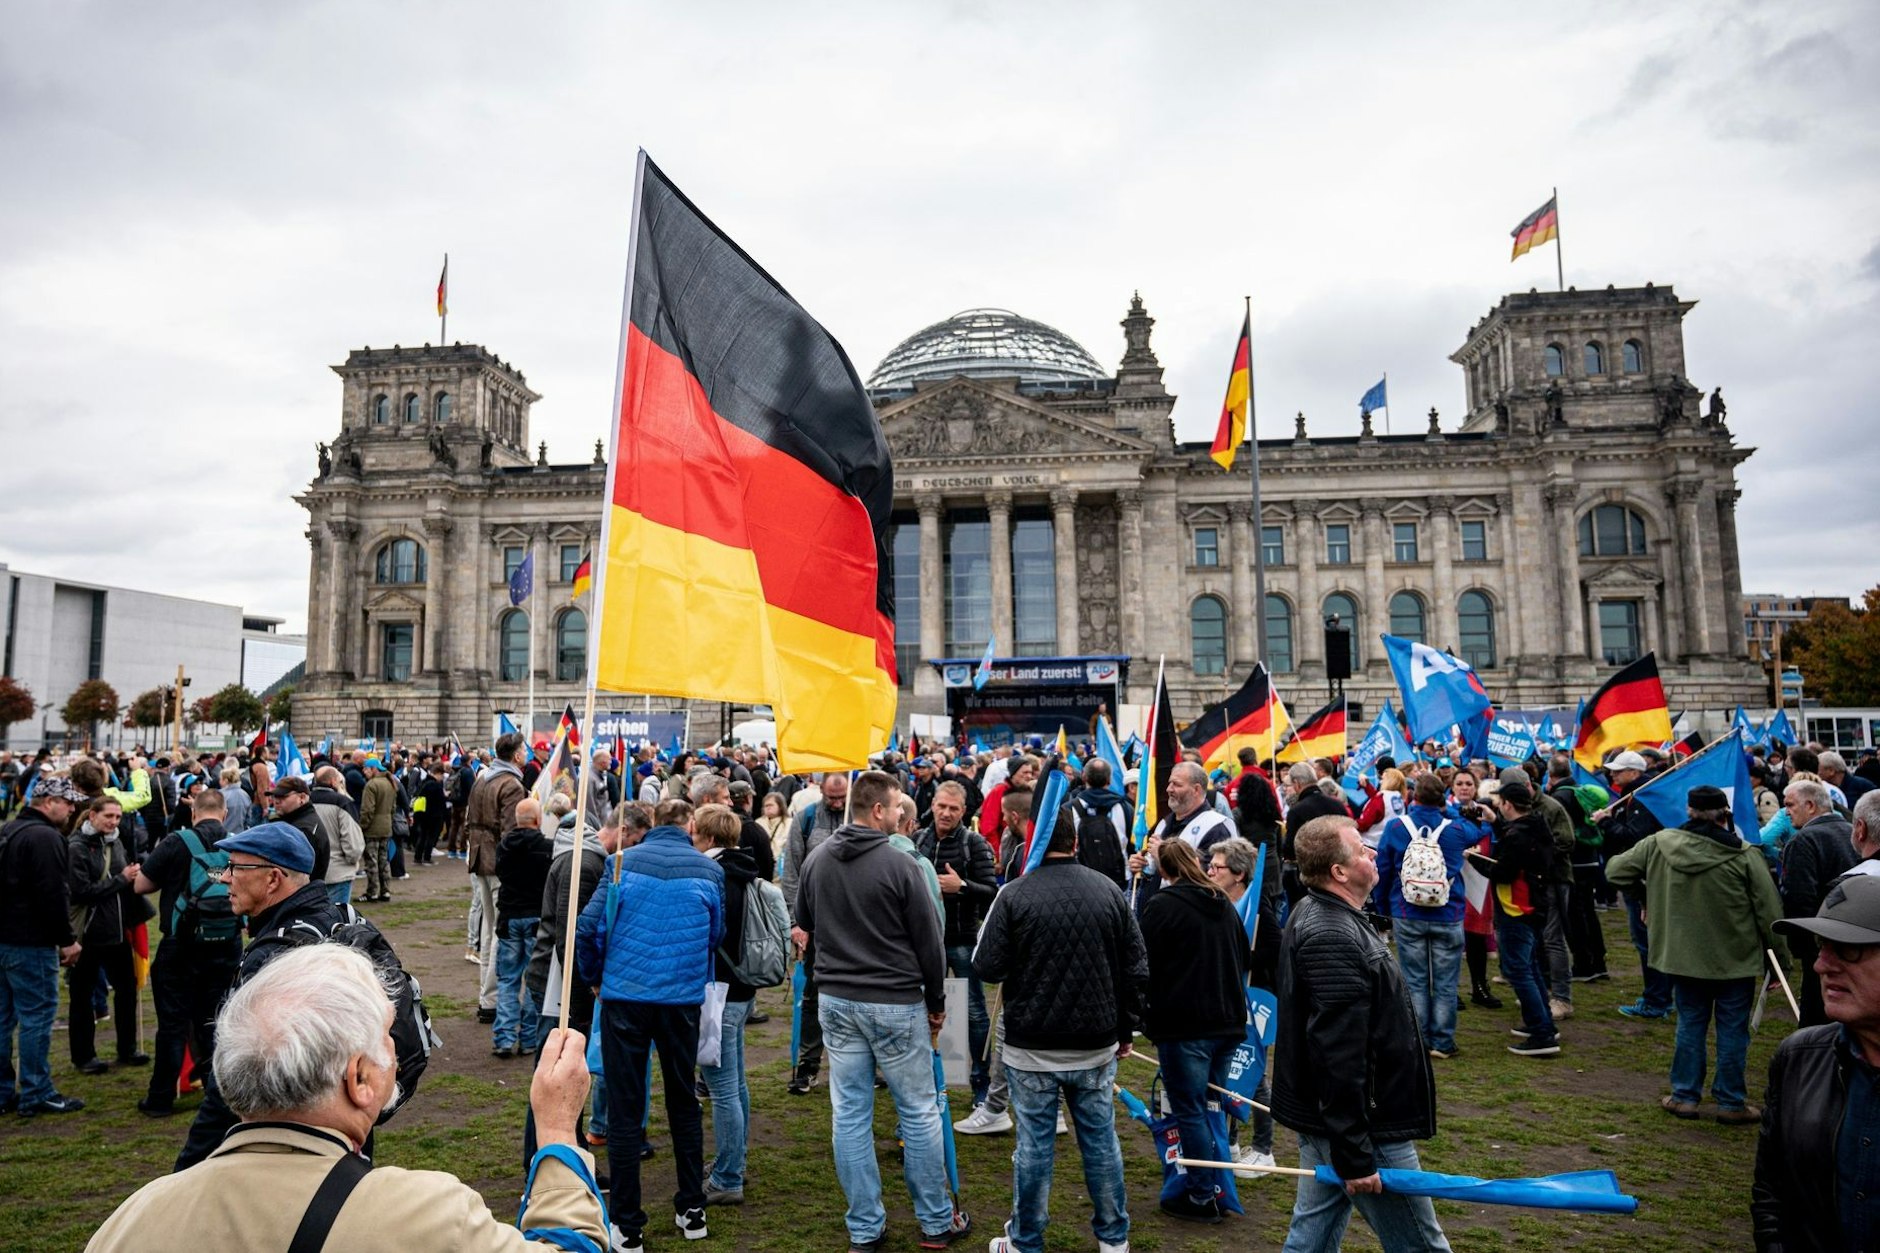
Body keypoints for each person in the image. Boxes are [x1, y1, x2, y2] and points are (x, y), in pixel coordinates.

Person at [87, 943, 605, 1251]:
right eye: (386, 1036)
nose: (397, 1053)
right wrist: (557, 1131)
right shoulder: (426, 1216)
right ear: (359, 1080)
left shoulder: (132, 1221)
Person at [792, 769, 966, 1253]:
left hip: (838, 1001)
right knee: (918, 1110)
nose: (901, 813)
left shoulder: (818, 860)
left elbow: (805, 924)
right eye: (894, 807)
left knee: (849, 1114)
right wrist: (936, 1003)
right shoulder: (900, 864)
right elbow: (929, 941)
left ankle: (866, 1228)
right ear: (877, 811)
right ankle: (934, 1222)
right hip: (893, 1002)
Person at [1272, 814, 1450, 1252]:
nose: (1373, 854)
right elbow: (1338, 1053)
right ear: (1339, 871)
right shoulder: (1330, 933)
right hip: (1366, 1122)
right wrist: (1354, 1153)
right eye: (1362, 850)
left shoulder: (1328, 913)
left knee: (1311, 1236)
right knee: (1422, 1246)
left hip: (1336, 1117)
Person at [973, 801, 1145, 1253]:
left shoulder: (1015, 894)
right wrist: (1126, 1027)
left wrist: (1123, 1028)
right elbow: (1136, 968)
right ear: (1073, 839)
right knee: (1100, 1143)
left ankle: (1028, 1240)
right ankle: (1112, 1240)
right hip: (1082, 1044)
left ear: (1037, 836)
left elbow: (987, 965)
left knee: (1036, 1149)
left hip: (1041, 1046)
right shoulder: (1107, 890)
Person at [574, 797, 723, 1252]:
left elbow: (586, 929)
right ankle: (691, 1207)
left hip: (627, 996)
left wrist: (594, 977)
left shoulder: (622, 863)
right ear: (691, 825)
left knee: (624, 1106)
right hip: (678, 998)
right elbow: (715, 932)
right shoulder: (706, 869)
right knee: (683, 1099)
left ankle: (626, 1223)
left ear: (654, 823)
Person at [1604, 784, 1787, 1124]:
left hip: (1684, 957)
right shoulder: (1745, 854)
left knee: (1691, 1024)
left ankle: (1685, 1096)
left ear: (1688, 810)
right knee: (1732, 1029)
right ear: (1725, 815)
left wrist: (1644, 894)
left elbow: (1615, 870)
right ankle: (1730, 1102)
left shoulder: (1658, 844)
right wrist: (1780, 962)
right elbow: (1769, 911)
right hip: (1735, 958)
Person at [172, 819, 347, 1169]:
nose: (224, 878)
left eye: (236, 868)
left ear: (273, 879)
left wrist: (187, 1169)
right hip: (341, 1131)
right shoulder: (338, 918)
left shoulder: (274, 958)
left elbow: (239, 1073)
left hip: (289, 1142)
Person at [1753, 874, 1880, 1250]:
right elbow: (1772, 1193)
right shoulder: (1798, 1059)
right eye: (1821, 946)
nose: (1821, 966)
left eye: (1847, 949)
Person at [1137, 834, 1248, 1222]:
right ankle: (1213, 1186)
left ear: (1164, 869)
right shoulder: (1223, 904)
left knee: (1192, 1110)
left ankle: (1202, 1194)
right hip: (1227, 1021)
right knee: (1210, 1107)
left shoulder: (1162, 906)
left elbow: (1142, 963)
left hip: (1187, 1026)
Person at [1372, 774, 1480, 1062]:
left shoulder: (1396, 827)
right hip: (1448, 912)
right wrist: (1451, 810)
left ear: (1412, 797)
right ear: (1442, 799)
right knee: (1446, 982)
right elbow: (1478, 829)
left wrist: (1383, 907)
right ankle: (1442, 1041)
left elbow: (1381, 870)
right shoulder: (1456, 829)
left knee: (1415, 980)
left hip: (1407, 911)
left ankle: (1418, 1039)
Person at [0, 775, 87, 1117]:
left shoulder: (7, 830)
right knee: (36, 1016)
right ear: (48, 802)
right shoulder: (45, 837)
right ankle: (37, 1091)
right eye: (67, 803)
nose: (71, 809)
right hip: (30, 941)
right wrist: (67, 940)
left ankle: (4, 1091)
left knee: (4, 1018)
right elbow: (52, 895)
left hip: (5, 937)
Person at [915, 780, 999, 1112]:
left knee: (975, 1013)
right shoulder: (917, 840)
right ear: (933, 805)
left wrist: (960, 885)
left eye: (953, 808)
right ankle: (927, 1081)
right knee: (922, 1011)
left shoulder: (974, 843)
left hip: (963, 941)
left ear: (963, 811)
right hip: (925, 943)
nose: (946, 813)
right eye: (941, 806)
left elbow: (992, 891)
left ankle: (982, 1084)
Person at [693, 803, 760, 1205]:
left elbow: (709, 934)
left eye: (697, 832)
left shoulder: (715, 875)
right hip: (741, 990)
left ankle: (729, 1176)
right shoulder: (744, 868)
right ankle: (733, 1160)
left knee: (721, 1090)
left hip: (720, 992)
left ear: (711, 838)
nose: (691, 837)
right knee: (735, 1085)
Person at [1468, 780, 1561, 1057]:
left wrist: (1474, 859)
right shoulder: (1535, 825)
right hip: (1534, 904)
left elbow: (1503, 871)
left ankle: (1542, 1033)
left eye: (1500, 802)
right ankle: (1542, 1022)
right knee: (1529, 966)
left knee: (1518, 970)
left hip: (1516, 907)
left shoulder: (1518, 835)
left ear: (1508, 804)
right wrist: (1497, 823)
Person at [1207, 835, 1278, 1168]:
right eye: (1209, 865)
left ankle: (1264, 1149)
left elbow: (1273, 953)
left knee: (1252, 1072)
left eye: (1217, 867)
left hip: (1254, 1000)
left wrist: (1246, 957)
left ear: (1238, 874)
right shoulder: (1217, 902)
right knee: (1227, 1071)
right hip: (1225, 997)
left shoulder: (1258, 908)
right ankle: (1232, 1141)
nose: (1210, 871)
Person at [66, 796, 149, 1074]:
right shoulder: (76, 847)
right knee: (82, 997)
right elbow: (80, 891)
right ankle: (83, 1055)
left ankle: (127, 1048)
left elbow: (121, 883)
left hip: (117, 932)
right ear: (92, 815)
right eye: (108, 816)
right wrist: (121, 880)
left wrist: (133, 880)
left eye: (117, 816)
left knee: (127, 991)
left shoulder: (117, 841)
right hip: (88, 935)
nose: (114, 821)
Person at [780, 771, 848, 1095]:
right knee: (812, 995)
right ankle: (809, 1065)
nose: (837, 802)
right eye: (832, 796)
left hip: (853, 925)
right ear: (821, 789)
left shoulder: (856, 816)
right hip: (816, 923)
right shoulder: (806, 819)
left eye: (842, 796)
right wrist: (797, 922)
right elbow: (791, 871)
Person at [1781, 778, 1861, 1026]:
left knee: (1817, 1018)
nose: (1786, 811)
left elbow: (1799, 898)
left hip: (1820, 941)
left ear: (1810, 806)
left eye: (1791, 804)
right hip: (1857, 937)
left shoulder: (1804, 840)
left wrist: (1801, 947)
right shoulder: (1851, 831)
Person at [465, 734, 529, 1025]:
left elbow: (470, 821)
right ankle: (491, 1000)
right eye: (524, 750)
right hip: (499, 865)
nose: (526, 754)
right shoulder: (511, 784)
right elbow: (511, 834)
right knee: (499, 933)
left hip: (481, 859)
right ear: (516, 755)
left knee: (490, 931)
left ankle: (486, 998)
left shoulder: (482, 778)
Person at [493, 797, 552, 1059]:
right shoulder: (546, 848)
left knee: (508, 979)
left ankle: (504, 1038)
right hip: (535, 917)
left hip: (509, 916)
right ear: (538, 820)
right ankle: (528, 1038)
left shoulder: (504, 846)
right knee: (532, 981)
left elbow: (501, 874)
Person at [310, 767, 366, 905]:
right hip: (339, 871)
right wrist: (353, 859)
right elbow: (352, 840)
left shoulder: (305, 802)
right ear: (333, 781)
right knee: (338, 920)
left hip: (312, 870)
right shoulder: (342, 802)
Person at [357, 757, 396, 902]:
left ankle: (372, 891)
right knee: (384, 861)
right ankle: (385, 891)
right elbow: (393, 808)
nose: (364, 772)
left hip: (372, 828)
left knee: (371, 861)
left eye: (366, 769)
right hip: (386, 827)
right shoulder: (390, 782)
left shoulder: (371, 785)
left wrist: (362, 826)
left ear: (373, 769)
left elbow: (367, 810)